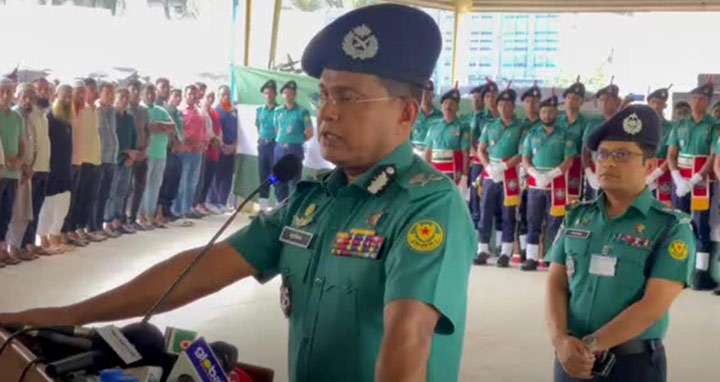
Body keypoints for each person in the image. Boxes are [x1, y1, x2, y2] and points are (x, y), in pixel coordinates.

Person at [0, 5, 475, 382]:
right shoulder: (314, 201)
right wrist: (60, 319)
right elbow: (197, 270)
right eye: (323, 95)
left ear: (407, 114)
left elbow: (408, 344)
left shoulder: (428, 207)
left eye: (347, 97)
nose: (326, 113)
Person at [545, 105, 693, 382]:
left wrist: (588, 347)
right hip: (570, 360)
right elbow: (556, 282)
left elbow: (653, 306)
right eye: (602, 154)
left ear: (649, 166)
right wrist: (560, 340)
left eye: (622, 155)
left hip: (631, 365)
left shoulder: (671, 228)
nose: (608, 163)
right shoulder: (577, 216)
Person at [667, 80, 718, 291]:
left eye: (704, 98)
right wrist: (678, 178)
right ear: (690, 99)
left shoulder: (715, 126)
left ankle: (699, 274)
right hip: (680, 180)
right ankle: (678, 272)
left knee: (700, 226)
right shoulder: (679, 125)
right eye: (696, 97)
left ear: (708, 102)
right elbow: (671, 155)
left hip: (702, 182)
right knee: (680, 224)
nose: (699, 101)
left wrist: (696, 178)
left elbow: (713, 157)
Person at [520, 94, 574, 271]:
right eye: (543, 111)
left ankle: (552, 257)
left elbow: (569, 161)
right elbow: (525, 158)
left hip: (556, 184)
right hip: (536, 184)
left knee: (555, 223)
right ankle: (531, 257)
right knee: (532, 220)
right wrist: (534, 173)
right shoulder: (532, 134)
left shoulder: (565, 135)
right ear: (540, 113)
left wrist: (551, 174)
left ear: (556, 114)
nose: (546, 115)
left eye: (550, 111)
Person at [475, 87, 524, 267]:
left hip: (509, 174)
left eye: (507, 104)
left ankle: (505, 252)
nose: (504, 108)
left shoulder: (521, 127)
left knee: (508, 213)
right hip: (490, 172)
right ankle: (483, 249)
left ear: (513, 106)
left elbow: (522, 153)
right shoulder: (490, 126)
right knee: (485, 211)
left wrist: (504, 166)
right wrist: (488, 166)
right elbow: (481, 149)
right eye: (500, 104)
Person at [6, 84, 44, 261]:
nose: (28, 100)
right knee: (13, 212)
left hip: (27, 172)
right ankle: (10, 248)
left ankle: (17, 247)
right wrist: (22, 167)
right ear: (17, 97)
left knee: (24, 213)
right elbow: (11, 146)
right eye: (24, 97)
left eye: (31, 97)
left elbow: (33, 147)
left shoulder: (30, 118)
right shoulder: (12, 115)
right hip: (12, 171)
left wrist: (30, 168)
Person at [37, 84, 74, 254]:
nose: (67, 100)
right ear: (56, 96)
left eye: (69, 97)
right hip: (51, 167)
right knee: (49, 203)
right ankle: (44, 237)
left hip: (65, 166)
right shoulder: (50, 117)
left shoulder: (67, 118)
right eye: (64, 96)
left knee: (64, 199)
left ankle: (55, 234)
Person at [70, 78, 104, 243]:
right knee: (78, 197)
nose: (95, 92)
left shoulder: (94, 109)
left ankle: (82, 228)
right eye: (91, 89)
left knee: (90, 197)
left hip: (95, 159)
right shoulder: (77, 110)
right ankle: (73, 229)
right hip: (81, 160)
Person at [138, 84, 176, 229]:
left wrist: (158, 125)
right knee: (143, 185)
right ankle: (140, 215)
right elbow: (149, 127)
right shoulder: (141, 110)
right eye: (147, 93)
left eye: (152, 93)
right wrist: (159, 127)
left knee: (155, 185)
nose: (150, 96)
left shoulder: (160, 110)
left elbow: (172, 126)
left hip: (161, 153)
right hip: (147, 154)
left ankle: (150, 215)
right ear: (142, 94)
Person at [423, 87, 470, 193]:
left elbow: (465, 154)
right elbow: (428, 152)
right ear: (441, 107)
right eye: (445, 103)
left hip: (454, 174)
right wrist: (425, 172)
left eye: (452, 104)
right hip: (435, 173)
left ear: (457, 107)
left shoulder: (462, 126)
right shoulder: (433, 126)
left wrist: (464, 177)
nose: (448, 106)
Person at [105, 87, 138, 235]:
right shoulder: (111, 116)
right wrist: (123, 153)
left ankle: (117, 221)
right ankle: (107, 222)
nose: (124, 100)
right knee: (110, 193)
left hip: (127, 162)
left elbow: (134, 138)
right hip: (114, 160)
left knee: (122, 192)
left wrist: (132, 156)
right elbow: (110, 139)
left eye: (126, 97)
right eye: (121, 97)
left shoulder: (129, 118)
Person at [273, 80, 313, 203]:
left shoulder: (302, 111)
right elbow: (277, 129)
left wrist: (297, 140)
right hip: (279, 148)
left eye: (290, 93)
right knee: (277, 177)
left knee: (294, 180)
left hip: (295, 148)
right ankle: (279, 205)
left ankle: (292, 206)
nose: (287, 95)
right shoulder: (278, 111)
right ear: (282, 95)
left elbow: (310, 133)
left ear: (294, 94)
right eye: (285, 93)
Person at [61, 80, 90, 247]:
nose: (80, 95)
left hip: (80, 161)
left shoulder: (84, 111)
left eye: (82, 92)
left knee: (76, 199)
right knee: (66, 200)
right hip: (68, 163)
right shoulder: (67, 113)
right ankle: (63, 231)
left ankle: (70, 229)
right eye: (77, 92)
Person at [0, 78, 26, 265]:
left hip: (13, 173)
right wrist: (6, 159)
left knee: (6, 212)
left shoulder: (17, 117)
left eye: (9, 91)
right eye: (2, 91)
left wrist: (19, 160)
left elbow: (21, 143)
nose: (6, 95)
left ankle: (2, 248)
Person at [582, 81, 621, 201]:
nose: (604, 103)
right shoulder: (593, 124)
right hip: (596, 170)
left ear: (617, 102)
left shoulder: (625, 123)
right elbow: (585, 150)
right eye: (602, 100)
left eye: (608, 100)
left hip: (618, 171)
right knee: (593, 208)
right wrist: (589, 172)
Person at [517, 83, 543, 262]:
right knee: (521, 212)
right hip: (519, 172)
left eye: (535, 101)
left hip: (539, 174)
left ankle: (538, 253)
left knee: (537, 214)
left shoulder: (546, 125)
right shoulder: (519, 125)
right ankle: (524, 250)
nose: (532, 104)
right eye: (528, 101)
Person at [173, 84, 207, 220]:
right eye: (189, 94)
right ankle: (178, 209)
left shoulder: (199, 111)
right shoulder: (181, 111)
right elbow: (179, 131)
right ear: (185, 96)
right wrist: (189, 142)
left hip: (198, 151)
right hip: (185, 150)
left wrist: (203, 143)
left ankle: (188, 208)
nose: (192, 96)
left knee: (193, 181)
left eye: (194, 94)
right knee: (183, 180)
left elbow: (203, 130)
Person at [92, 81, 119, 238]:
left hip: (111, 158)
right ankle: (92, 227)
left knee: (105, 195)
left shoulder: (113, 111)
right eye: (107, 93)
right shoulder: (95, 110)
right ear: (99, 93)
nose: (111, 96)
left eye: (112, 93)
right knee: (95, 195)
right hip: (98, 158)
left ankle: (100, 225)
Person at [157, 88, 187, 225]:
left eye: (180, 96)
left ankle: (168, 209)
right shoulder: (166, 110)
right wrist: (174, 143)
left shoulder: (178, 113)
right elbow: (169, 131)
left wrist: (180, 143)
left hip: (179, 151)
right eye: (176, 95)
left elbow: (180, 131)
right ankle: (160, 211)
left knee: (174, 181)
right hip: (169, 150)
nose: (178, 98)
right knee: (166, 182)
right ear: (170, 97)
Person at [558, 77, 589, 204]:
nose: (571, 101)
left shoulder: (585, 123)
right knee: (555, 198)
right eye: (569, 97)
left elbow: (586, 148)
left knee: (573, 201)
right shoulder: (556, 122)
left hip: (576, 166)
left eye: (576, 98)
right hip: (557, 164)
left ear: (582, 102)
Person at [208, 85, 238, 212]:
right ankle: (214, 203)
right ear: (219, 96)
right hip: (218, 149)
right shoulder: (215, 111)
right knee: (216, 177)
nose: (226, 97)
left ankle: (223, 203)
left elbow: (239, 131)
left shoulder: (234, 112)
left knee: (227, 177)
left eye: (228, 94)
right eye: (223, 94)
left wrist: (233, 146)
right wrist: (222, 146)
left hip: (231, 149)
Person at [125, 79, 150, 232]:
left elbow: (148, 131)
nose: (135, 92)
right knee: (127, 188)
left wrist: (146, 149)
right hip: (129, 153)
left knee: (140, 187)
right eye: (133, 89)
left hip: (143, 152)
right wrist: (130, 153)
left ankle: (133, 218)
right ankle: (121, 219)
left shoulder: (143, 111)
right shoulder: (123, 109)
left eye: (137, 89)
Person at [645, 87, 674, 207]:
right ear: (648, 104)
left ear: (665, 105)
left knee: (664, 206)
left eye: (660, 102)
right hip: (644, 169)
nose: (656, 105)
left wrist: (656, 173)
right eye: (653, 102)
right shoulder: (640, 125)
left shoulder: (672, 127)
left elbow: (672, 155)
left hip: (664, 170)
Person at [195, 90, 222, 215]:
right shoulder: (201, 111)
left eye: (212, 97)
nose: (210, 99)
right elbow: (205, 130)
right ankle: (196, 203)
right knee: (200, 178)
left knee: (208, 177)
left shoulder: (214, 112)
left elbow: (217, 129)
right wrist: (213, 139)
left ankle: (202, 202)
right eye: (208, 97)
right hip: (204, 147)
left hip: (213, 148)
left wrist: (218, 140)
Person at [255, 80, 278, 212]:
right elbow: (258, 126)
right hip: (263, 145)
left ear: (275, 94)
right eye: (266, 93)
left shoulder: (280, 110)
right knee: (263, 175)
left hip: (275, 145)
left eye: (271, 93)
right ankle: (262, 209)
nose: (268, 95)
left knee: (275, 176)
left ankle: (277, 207)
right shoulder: (260, 110)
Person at [467, 84, 486, 228]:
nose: (476, 101)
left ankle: (478, 227)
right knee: (471, 195)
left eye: (479, 98)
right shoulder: (469, 117)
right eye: (474, 98)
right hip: (468, 162)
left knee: (479, 194)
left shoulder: (487, 118)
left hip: (482, 161)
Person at [410, 80, 442, 157]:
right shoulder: (414, 113)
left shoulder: (440, 116)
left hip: (433, 152)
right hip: (414, 152)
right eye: (423, 93)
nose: (424, 96)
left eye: (428, 93)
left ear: (433, 94)